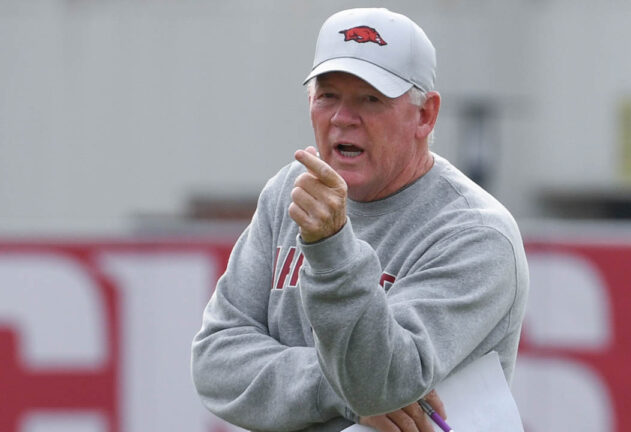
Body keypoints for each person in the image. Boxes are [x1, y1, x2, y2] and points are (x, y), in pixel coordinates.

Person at [191, 7, 529, 432]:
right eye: (328, 95)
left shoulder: (476, 234)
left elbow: (381, 384)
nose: (342, 118)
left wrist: (331, 247)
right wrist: (334, 390)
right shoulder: (289, 192)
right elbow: (215, 361)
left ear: (425, 115)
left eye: (371, 99)